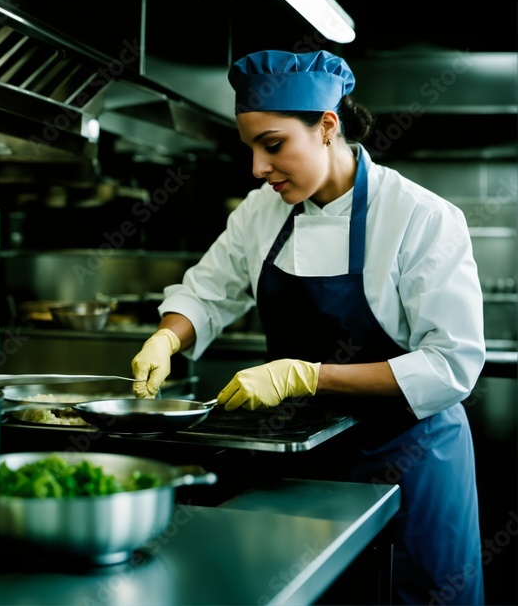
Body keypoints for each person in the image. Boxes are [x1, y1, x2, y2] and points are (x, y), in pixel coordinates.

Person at [130, 49, 485, 605]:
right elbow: (206, 292)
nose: (258, 168)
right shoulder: (258, 212)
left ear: (326, 127)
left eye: (273, 146)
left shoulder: (420, 216)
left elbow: (451, 365)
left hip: (410, 460)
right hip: (304, 459)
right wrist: (168, 336)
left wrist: (306, 376)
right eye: (250, 148)